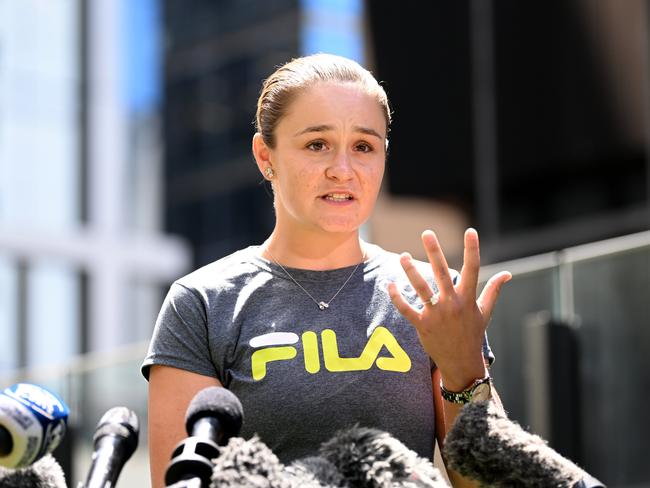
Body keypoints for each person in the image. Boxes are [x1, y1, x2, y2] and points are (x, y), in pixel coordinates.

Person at [141, 52, 511, 488]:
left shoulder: (434, 296)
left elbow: (490, 485)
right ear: (266, 155)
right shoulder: (202, 303)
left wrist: (463, 369)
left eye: (364, 147)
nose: (343, 170)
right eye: (317, 144)